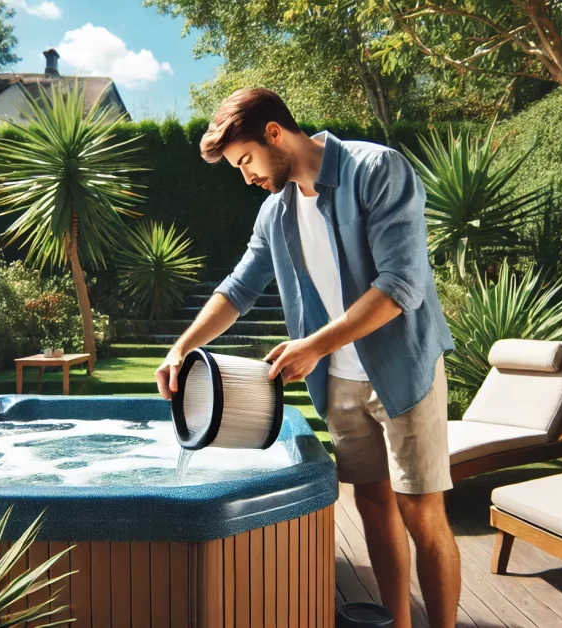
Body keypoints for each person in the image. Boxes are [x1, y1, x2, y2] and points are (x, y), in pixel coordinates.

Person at [154, 88, 460, 627]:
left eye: (245, 160)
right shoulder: (276, 212)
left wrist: (315, 345)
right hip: (339, 382)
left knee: (420, 512)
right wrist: (184, 345)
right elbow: (238, 289)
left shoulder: (376, 170)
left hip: (404, 368)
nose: (245, 176)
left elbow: (402, 284)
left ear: (275, 133)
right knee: (373, 504)